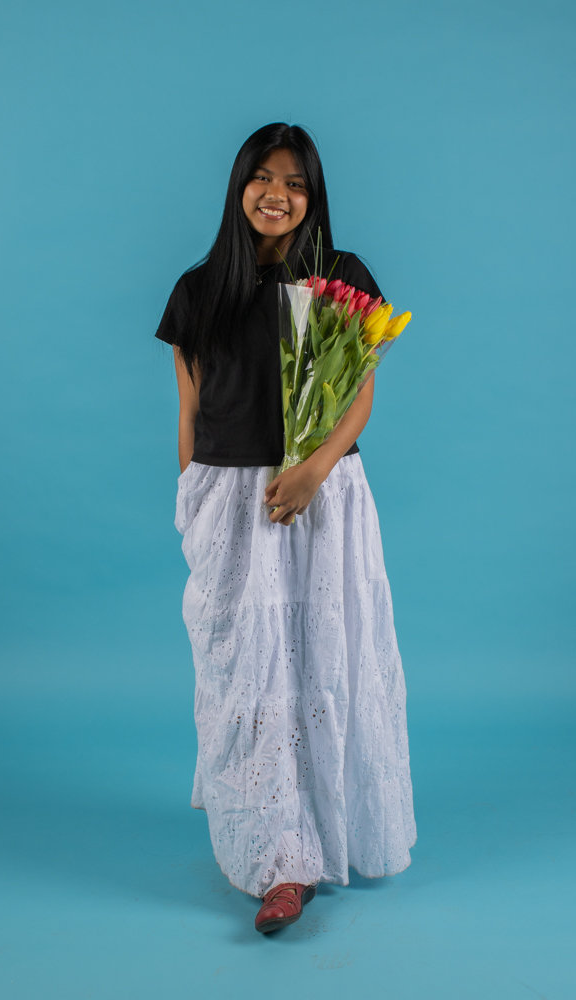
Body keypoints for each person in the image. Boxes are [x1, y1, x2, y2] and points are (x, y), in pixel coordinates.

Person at [156, 123, 416, 934]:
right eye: (262, 178)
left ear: (313, 196)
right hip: (230, 501)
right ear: (239, 186)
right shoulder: (198, 289)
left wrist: (313, 469)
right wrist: (194, 499)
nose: (276, 194)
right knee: (245, 672)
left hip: (320, 495)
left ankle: (294, 861)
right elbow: (189, 408)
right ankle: (268, 834)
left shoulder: (339, 277)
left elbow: (360, 393)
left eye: (295, 183)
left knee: (322, 663)